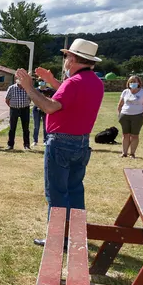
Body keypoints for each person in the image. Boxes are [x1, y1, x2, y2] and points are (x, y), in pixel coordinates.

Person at [16, 38, 104, 247]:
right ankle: (74, 235)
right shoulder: (94, 81)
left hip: (62, 142)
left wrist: (29, 87)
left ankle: (58, 239)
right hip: (81, 143)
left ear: (72, 59)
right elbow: (70, 96)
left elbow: (50, 107)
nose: (65, 60)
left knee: (56, 193)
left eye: (67, 56)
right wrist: (53, 81)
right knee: (74, 190)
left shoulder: (73, 82)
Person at [117, 75, 143, 159]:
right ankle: (124, 153)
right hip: (125, 115)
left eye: (135, 81)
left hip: (137, 116)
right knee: (125, 135)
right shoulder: (125, 92)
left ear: (139, 83)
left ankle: (132, 153)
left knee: (134, 135)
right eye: (131, 82)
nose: (133, 83)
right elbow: (120, 104)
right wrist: (119, 114)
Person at [5, 73, 31, 151]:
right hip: (14, 109)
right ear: (16, 79)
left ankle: (26, 145)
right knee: (12, 128)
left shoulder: (27, 88)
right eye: (19, 78)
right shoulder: (11, 88)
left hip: (25, 109)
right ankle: (10, 145)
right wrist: (12, 106)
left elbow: (30, 98)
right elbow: (7, 99)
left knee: (26, 128)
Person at [32, 78, 54, 147]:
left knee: (45, 126)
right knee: (36, 126)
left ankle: (45, 140)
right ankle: (35, 141)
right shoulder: (36, 90)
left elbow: (53, 98)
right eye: (40, 81)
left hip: (45, 109)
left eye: (43, 81)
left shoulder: (49, 90)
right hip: (36, 109)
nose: (41, 82)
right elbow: (33, 99)